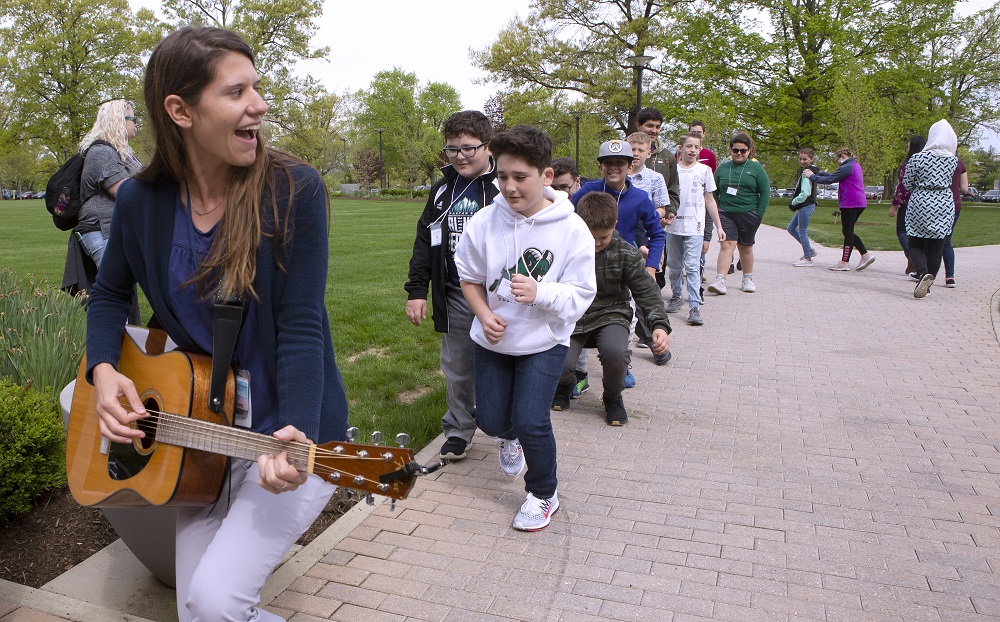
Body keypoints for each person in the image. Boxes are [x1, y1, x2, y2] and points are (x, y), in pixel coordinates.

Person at [84, 27, 349, 621]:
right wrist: (103, 371)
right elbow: (108, 294)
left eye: (256, 87)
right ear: (180, 110)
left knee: (214, 602)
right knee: (201, 610)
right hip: (197, 431)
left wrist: (299, 431)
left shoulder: (293, 189)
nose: (258, 104)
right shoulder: (140, 202)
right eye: (236, 92)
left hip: (286, 433)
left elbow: (304, 324)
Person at [454, 124, 596, 531]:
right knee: (494, 421)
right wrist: (483, 314)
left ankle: (542, 494)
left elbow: (581, 295)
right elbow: (470, 278)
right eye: (501, 176)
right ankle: (508, 436)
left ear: (546, 176)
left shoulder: (571, 230)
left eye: (520, 177)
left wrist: (541, 293)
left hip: (543, 340)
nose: (509, 187)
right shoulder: (485, 221)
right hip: (494, 338)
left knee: (533, 419)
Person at [405, 111, 499, 461]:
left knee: (502, 366)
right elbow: (423, 240)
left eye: (468, 148)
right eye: (452, 149)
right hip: (457, 294)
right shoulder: (442, 189)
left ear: (488, 147)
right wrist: (417, 290)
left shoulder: (504, 185)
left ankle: (508, 431)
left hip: (500, 297)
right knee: (458, 367)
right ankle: (459, 430)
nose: (459, 156)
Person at [550, 191, 670, 424]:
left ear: (614, 224)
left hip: (611, 313)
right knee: (559, 360)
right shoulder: (564, 248)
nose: (596, 244)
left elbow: (646, 291)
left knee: (616, 353)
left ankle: (613, 397)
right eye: (590, 237)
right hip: (573, 315)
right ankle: (565, 385)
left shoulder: (626, 252)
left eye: (602, 238)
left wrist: (659, 324)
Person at [572, 140, 669, 366]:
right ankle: (579, 369)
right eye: (608, 163)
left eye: (619, 163)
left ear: (630, 167)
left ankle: (631, 360)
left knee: (633, 310)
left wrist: (652, 266)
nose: (613, 168)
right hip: (588, 262)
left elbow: (657, 234)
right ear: (600, 167)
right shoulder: (587, 192)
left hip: (624, 264)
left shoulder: (640, 199)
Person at [76, 99, 143, 268]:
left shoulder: (124, 153)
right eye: (133, 120)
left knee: (122, 288)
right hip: (101, 230)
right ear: (119, 121)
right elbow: (126, 192)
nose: (135, 124)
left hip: (116, 229)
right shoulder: (102, 152)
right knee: (112, 287)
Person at [669, 132, 724, 325]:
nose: (692, 150)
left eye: (696, 147)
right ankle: (676, 296)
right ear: (681, 148)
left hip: (695, 227)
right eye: (689, 146)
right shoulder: (672, 171)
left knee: (692, 267)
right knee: (674, 266)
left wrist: (718, 226)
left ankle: (694, 305)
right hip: (673, 226)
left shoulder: (705, 171)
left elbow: (710, 200)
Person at [706, 132, 770, 295]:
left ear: (749, 151)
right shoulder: (723, 168)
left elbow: (764, 193)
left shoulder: (756, 168)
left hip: (749, 213)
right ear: (731, 150)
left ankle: (748, 278)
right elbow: (713, 191)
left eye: (743, 150)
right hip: (726, 213)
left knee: (745, 247)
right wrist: (718, 210)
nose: (739, 153)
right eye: (736, 150)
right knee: (727, 245)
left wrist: (758, 215)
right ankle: (720, 280)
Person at [903, 119, 960, 298]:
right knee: (937, 246)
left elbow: (907, 182)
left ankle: (921, 273)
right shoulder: (953, 160)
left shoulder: (918, 158)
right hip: (944, 201)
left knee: (915, 243)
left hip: (921, 200)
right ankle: (927, 286)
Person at [551, 157, 590, 398]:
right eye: (553, 187)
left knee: (579, 322)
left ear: (576, 183)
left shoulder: (584, 210)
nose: (558, 193)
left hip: (580, 277)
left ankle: (581, 373)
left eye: (564, 187)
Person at [804, 148, 875, 271]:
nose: (838, 162)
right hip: (858, 202)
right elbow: (833, 175)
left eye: (838, 159)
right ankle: (865, 255)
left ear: (843, 156)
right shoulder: (854, 165)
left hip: (850, 203)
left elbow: (830, 180)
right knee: (848, 231)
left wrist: (812, 176)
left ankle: (844, 262)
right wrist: (818, 173)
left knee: (847, 232)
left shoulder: (847, 167)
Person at [888, 136, 927, 275]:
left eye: (908, 145)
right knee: (918, 234)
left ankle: (912, 258)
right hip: (924, 204)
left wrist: (895, 205)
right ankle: (916, 262)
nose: (907, 148)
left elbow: (902, 187)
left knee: (902, 231)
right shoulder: (928, 162)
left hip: (908, 203)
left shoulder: (909, 163)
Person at [635, 107, 680, 209]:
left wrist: (670, 212)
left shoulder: (667, 157)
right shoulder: (624, 153)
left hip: (658, 218)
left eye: (657, 127)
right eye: (650, 126)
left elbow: (673, 189)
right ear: (638, 125)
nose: (654, 131)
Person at [787, 148, 820, 266]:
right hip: (806, 206)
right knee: (791, 228)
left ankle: (808, 259)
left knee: (802, 231)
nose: (802, 161)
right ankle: (809, 251)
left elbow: (805, 193)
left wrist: (794, 202)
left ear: (811, 159)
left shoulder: (807, 173)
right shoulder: (810, 172)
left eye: (805, 159)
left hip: (806, 205)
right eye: (800, 159)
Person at [942, 154, 968, 288]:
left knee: (930, 241)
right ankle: (950, 277)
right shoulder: (959, 163)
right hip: (954, 204)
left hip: (935, 205)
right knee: (947, 241)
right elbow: (965, 189)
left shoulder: (933, 158)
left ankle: (924, 273)